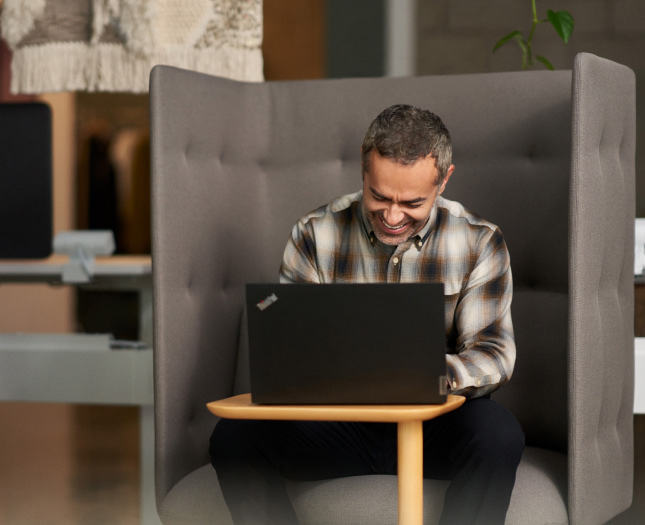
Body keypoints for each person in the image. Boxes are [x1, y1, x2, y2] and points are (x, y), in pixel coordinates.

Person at [210, 104, 525, 525]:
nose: (392, 217)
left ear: (444, 179)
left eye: (411, 202)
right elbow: (290, 348)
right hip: (338, 426)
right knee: (233, 438)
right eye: (379, 196)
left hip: (435, 422)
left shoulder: (479, 241)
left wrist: (423, 375)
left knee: (499, 435)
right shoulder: (314, 233)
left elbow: (493, 353)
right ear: (364, 168)